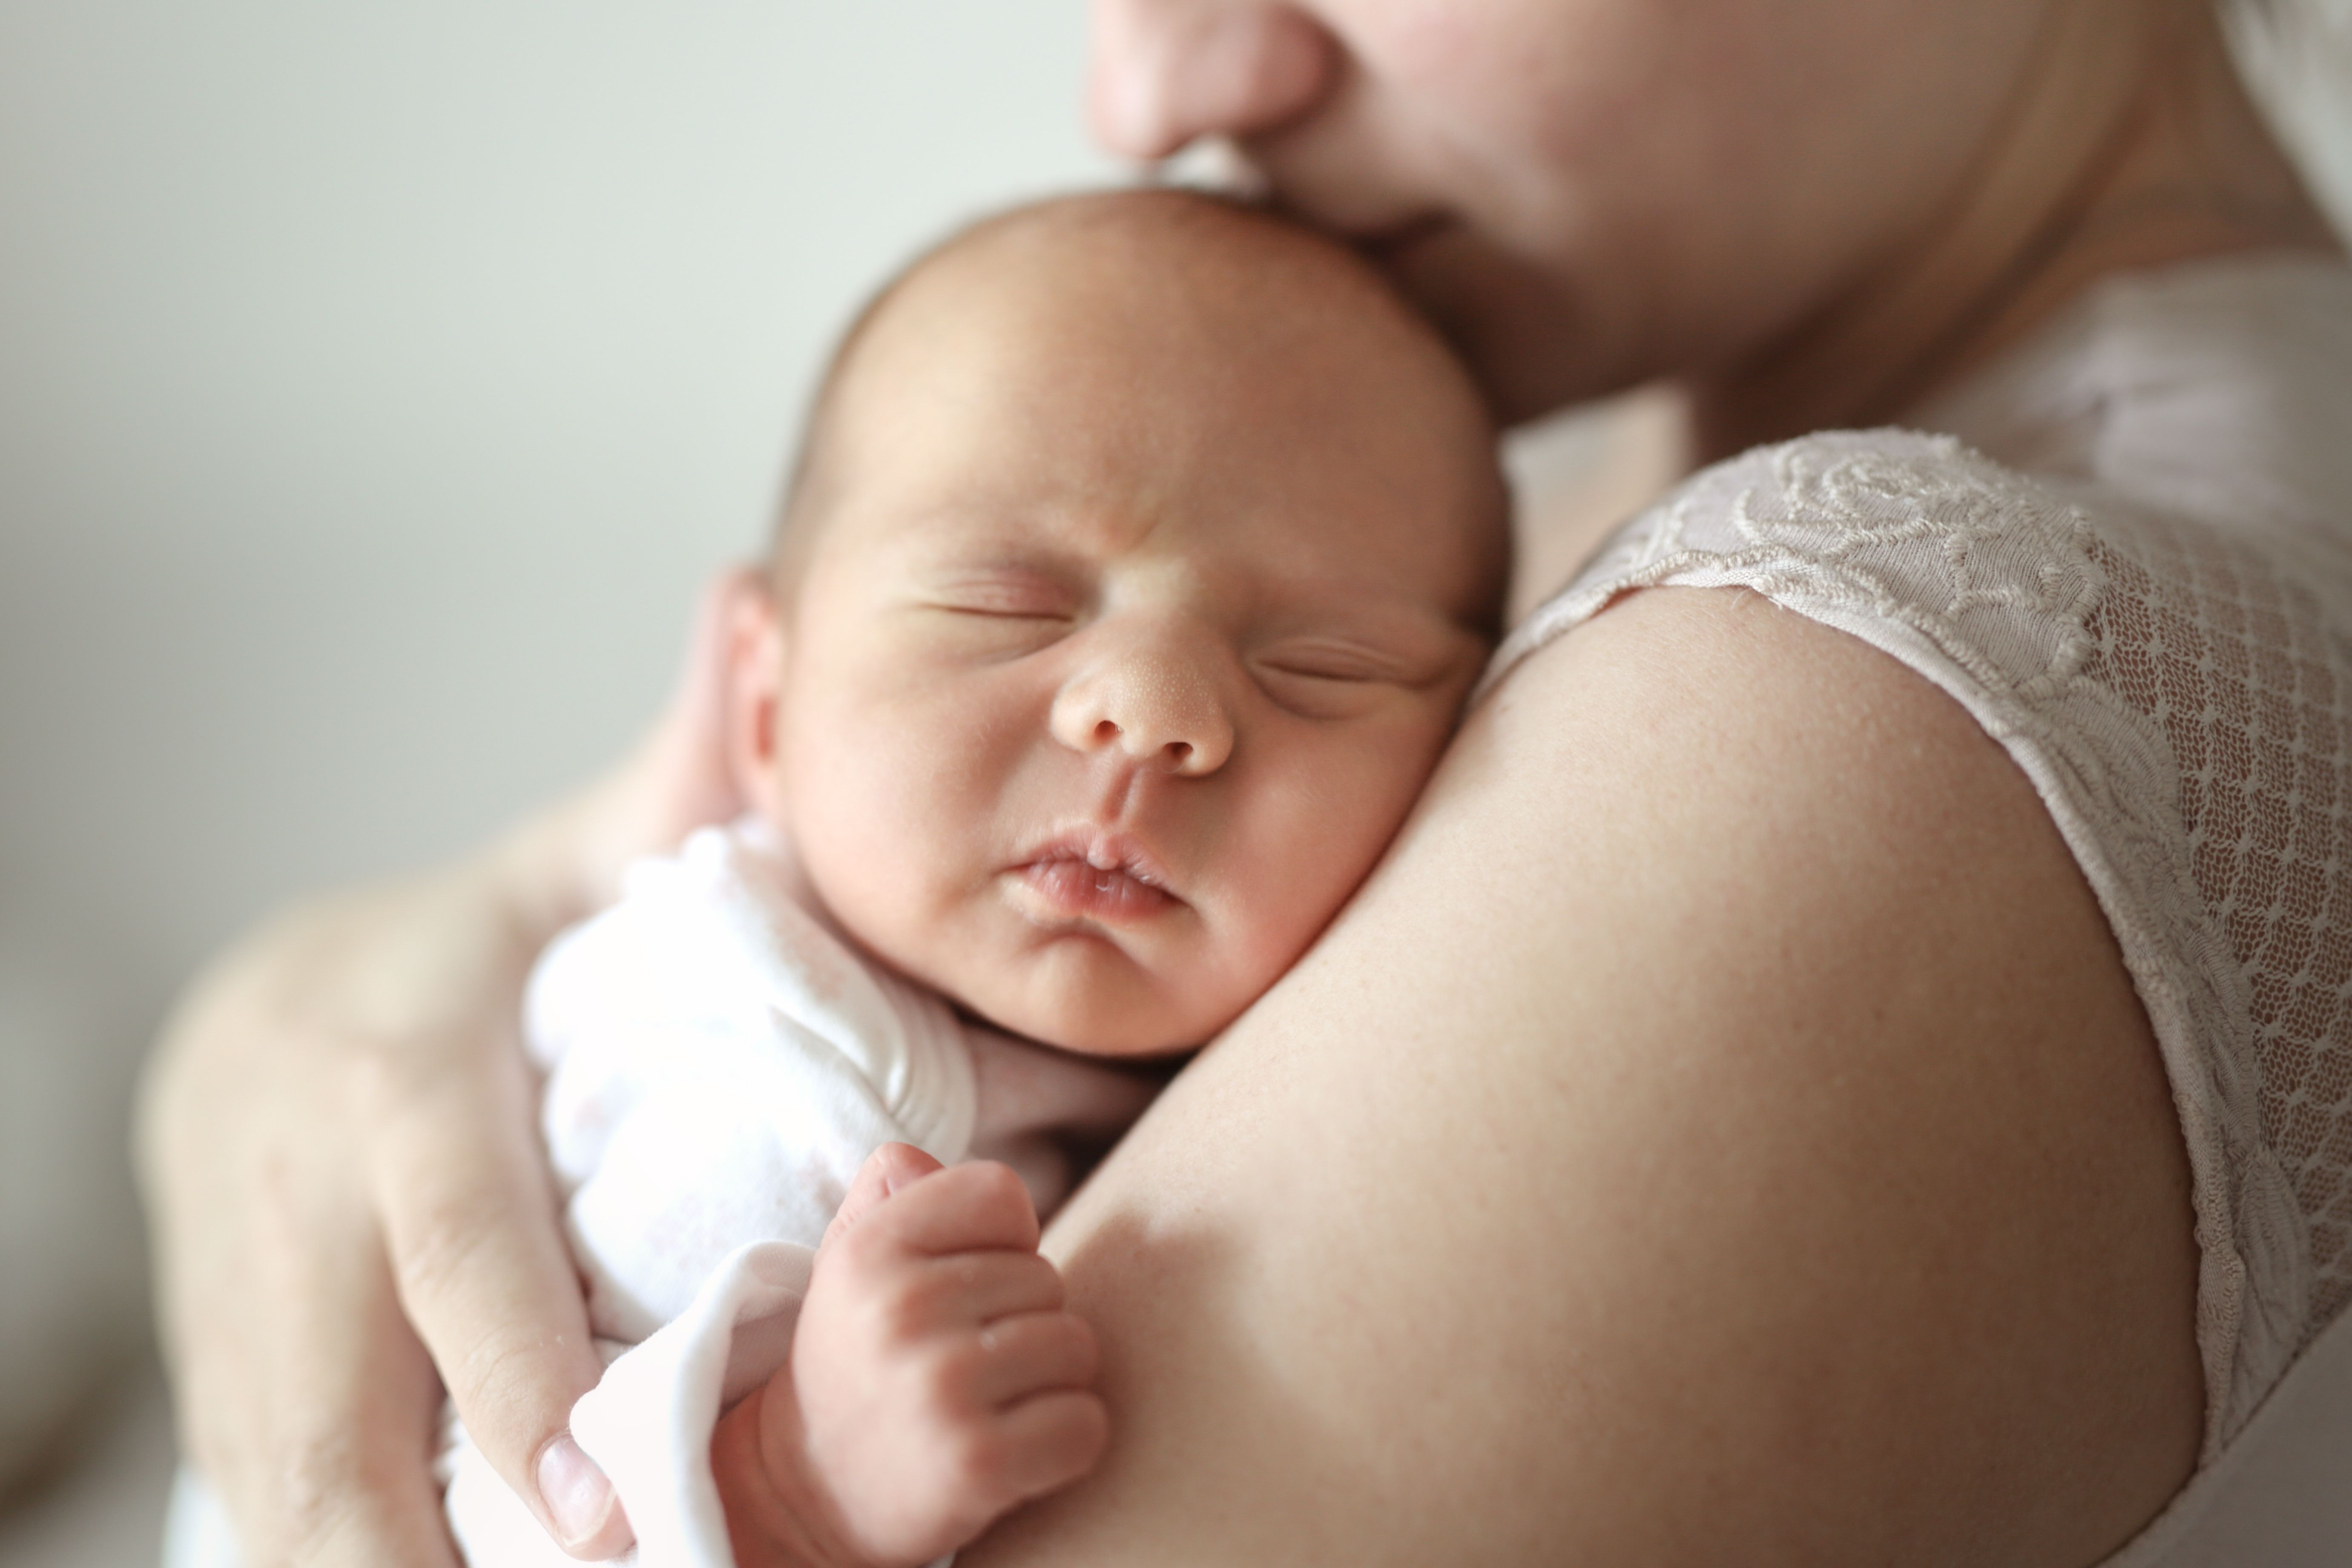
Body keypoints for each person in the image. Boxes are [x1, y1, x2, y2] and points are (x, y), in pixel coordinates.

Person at [137, 0, 2352, 1564]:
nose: (1159, 81)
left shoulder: (1864, 716)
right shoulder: (1511, 492)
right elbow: (516, 933)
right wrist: (287, 1019)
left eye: (1313, 667)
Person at [162, 190, 1509, 1568]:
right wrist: (786, 1486)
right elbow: (457, 1499)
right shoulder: (778, 1067)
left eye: (1323, 669)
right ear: (761, 708)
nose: (1151, 705)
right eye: (1008, 606)